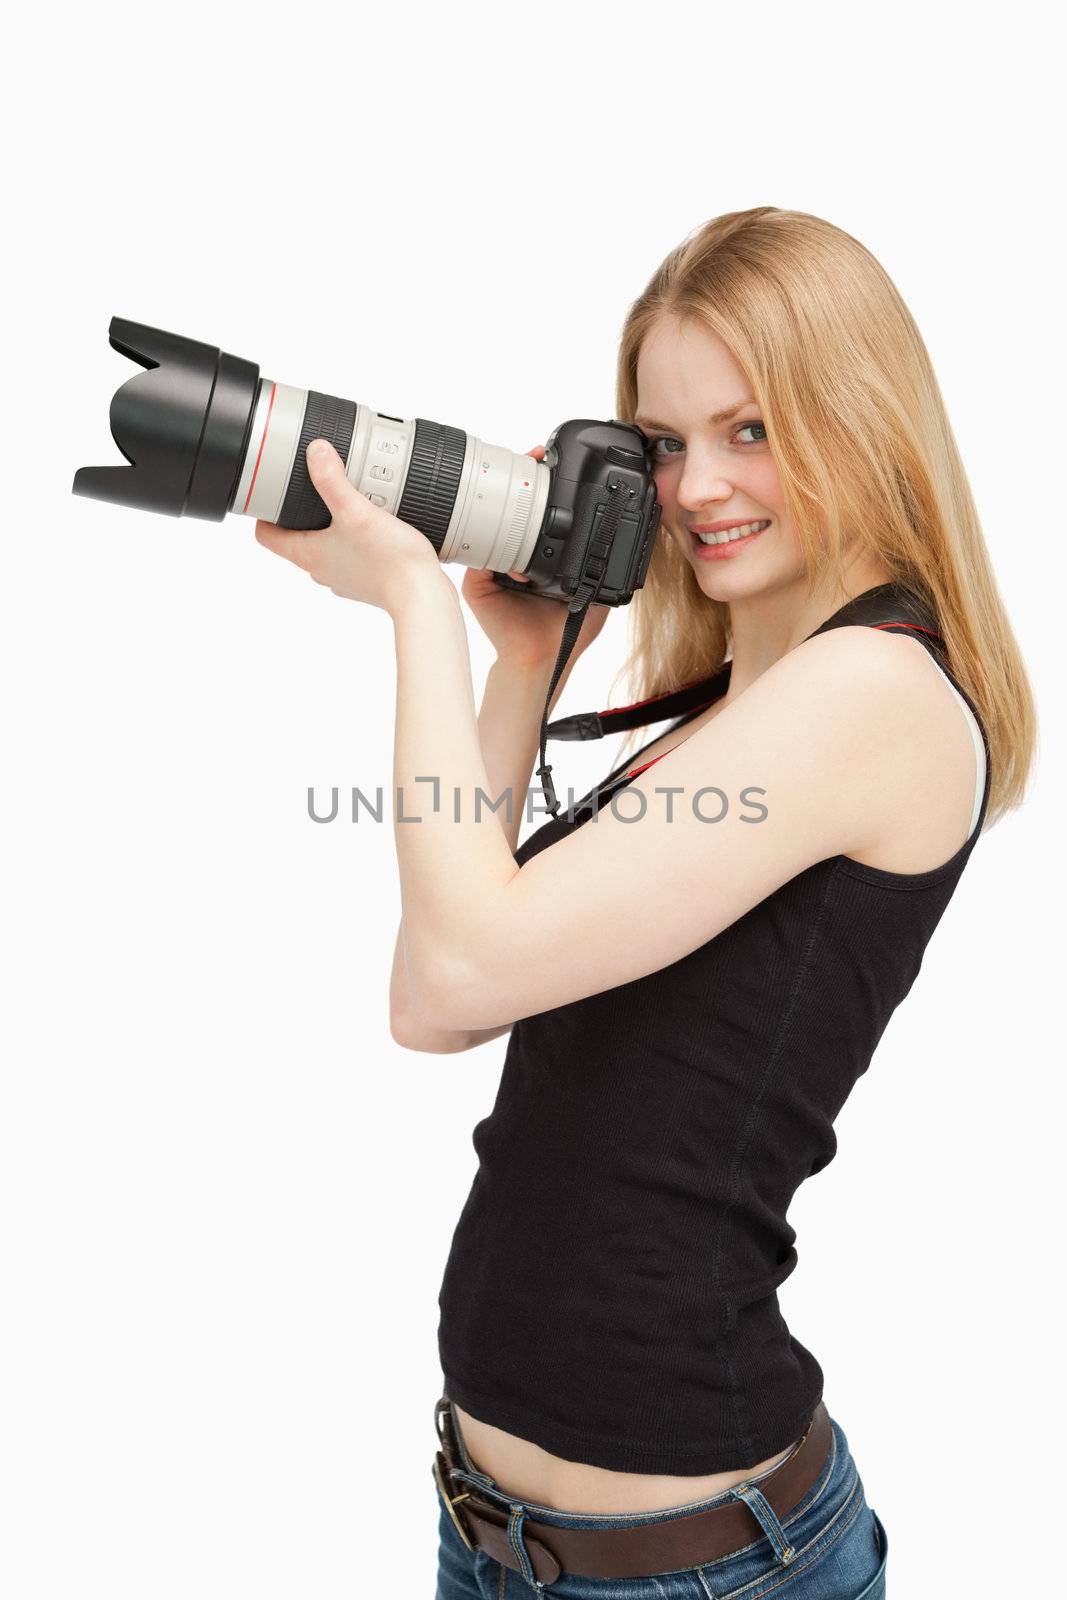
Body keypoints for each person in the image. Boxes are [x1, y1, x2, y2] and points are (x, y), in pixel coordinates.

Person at [254, 207, 1036, 1598]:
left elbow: (453, 974)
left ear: (859, 417)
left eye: (753, 429)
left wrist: (411, 608)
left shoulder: (873, 696)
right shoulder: (745, 710)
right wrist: (519, 655)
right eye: (665, 444)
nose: (695, 488)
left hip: (691, 1571)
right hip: (506, 1540)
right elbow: (434, 1000)